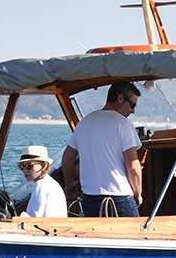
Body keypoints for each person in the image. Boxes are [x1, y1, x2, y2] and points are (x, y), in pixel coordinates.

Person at [61, 81, 143, 217]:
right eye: (132, 105)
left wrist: (70, 187)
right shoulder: (124, 124)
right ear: (120, 99)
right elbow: (133, 166)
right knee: (134, 237)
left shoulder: (84, 123)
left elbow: (68, 158)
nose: (133, 111)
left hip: (90, 199)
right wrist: (138, 194)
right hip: (119, 198)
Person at [17, 145, 67, 218]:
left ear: (44, 166)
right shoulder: (49, 183)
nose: (24, 170)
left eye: (29, 166)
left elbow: (34, 217)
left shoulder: (40, 185)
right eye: (21, 166)